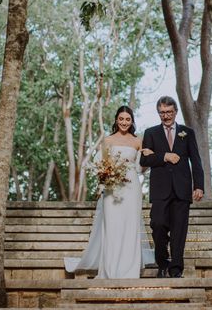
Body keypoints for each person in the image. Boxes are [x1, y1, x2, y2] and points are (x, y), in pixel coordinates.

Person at [64, 105, 154, 278]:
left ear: (132, 121)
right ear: (116, 120)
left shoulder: (138, 141)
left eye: (128, 119)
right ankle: (111, 269)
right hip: (112, 188)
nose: (124, 122)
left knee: (130, 226)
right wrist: (107, 176)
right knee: (112, 226)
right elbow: (101, 166)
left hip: (131, 187)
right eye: (121, 119)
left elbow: (140, 169)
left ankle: (129, 269)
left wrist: (148, 157)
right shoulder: (108, 141)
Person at [139, 96, 204, 278]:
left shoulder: (187, 132)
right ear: (158, 113)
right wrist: (164, 156)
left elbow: (196, 160)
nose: (166, 116)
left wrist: (199, 185)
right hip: (160, 190)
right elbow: (144, 159)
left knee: (179, 231)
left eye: (169, 112)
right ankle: (162, 262)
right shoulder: (151, 133)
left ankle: (176, 270)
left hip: (182, 189)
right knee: (157, 224)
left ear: (175, 111)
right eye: (162, 113)